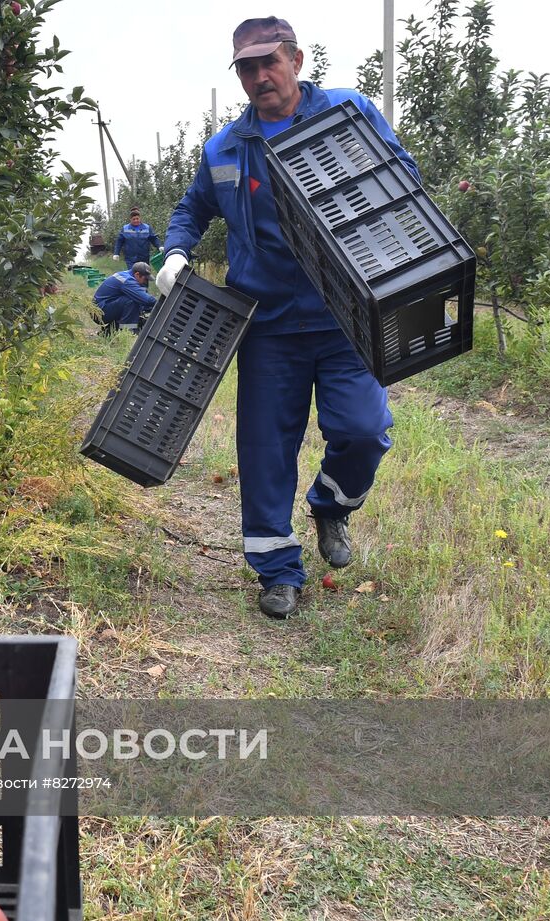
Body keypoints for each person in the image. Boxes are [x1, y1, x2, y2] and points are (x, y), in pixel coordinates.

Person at [157, 16, 417, 619]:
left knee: (361, 429)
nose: (258, 76)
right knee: (265, 448)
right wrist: (174, 250)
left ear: (295, 60)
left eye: (269, 62)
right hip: (269, 323)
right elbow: (192, 209)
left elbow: (402, 173)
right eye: (246, 67)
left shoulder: (347, 114)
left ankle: (331, 503)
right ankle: (277, 570)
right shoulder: (224, 147)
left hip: (345, 312)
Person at [92, 262, 157, 335]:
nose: (146, 281)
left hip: (102, 309)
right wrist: (162, 304)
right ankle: (128, 333)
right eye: (145, 279)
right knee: (131, 301)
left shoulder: (126, 274)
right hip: (99, 313)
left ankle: (107, 332)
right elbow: (147, 300)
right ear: (137, 274)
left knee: (131, 302)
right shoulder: (127, 281)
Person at [113, 208, 162, 274]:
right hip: (131, 259)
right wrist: (116, 253)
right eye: (134, 219)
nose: (136, 221)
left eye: (137, 219)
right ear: (130, 219)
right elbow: (119, 241)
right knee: (133, 277)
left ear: (140, 218)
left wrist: (159, 246)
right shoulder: (125, 228)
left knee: (144, 276)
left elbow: (153, 238)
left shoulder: (147, 228)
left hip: (144, 258)